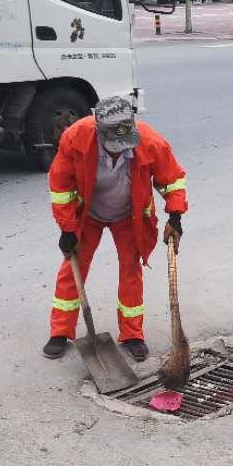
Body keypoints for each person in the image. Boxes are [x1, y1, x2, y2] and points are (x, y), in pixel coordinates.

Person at [44, 95, 187, 362]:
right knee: (73, 268)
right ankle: (60, 331)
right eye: (113, 145)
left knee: (131, 270)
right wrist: (67, 229)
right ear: (98, 132)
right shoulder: (76, 138)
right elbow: (61, 186)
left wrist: (175, 216)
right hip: (89, 213)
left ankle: (133, 334)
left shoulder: (150, 141)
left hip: (129, 215)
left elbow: (172, 179)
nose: (119, 150)